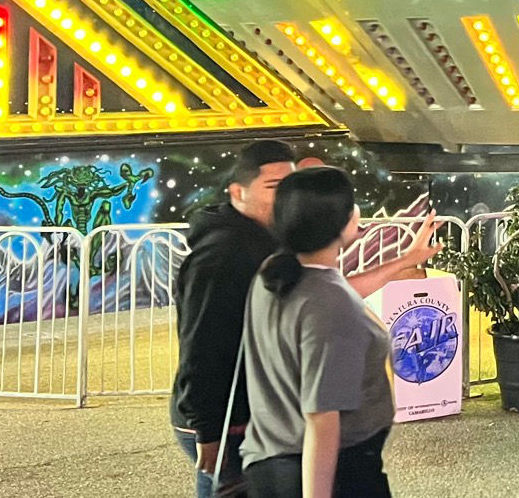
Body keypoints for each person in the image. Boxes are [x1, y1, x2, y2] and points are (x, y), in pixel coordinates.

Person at [242, 167, 409, 498]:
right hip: (335, 475)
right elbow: (322, 419)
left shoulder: (273, 274)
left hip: (271, 462)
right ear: (342, 222)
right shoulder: (330, 302)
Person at [172, 140, 297, 497]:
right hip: (225, 420)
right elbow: (201, 345)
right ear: (238, 192)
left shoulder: (265, 240)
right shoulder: (222, 255)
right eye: (273, 188)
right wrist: (209, 433)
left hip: (247, 412)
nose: (285, 198)